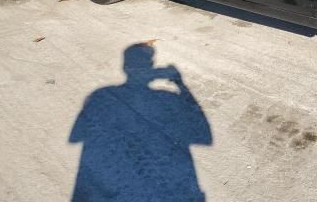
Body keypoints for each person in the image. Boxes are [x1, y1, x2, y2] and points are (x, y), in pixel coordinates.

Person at [69, 43, 212, 201]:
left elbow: (76, 136)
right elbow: (204, 136)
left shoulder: (100, 96)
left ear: (125, 67)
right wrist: (180, 84)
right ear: (151, 66)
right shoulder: (167, 98)